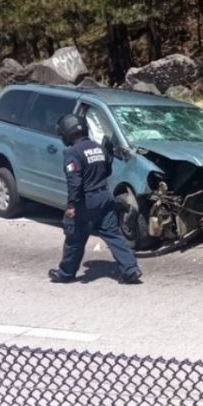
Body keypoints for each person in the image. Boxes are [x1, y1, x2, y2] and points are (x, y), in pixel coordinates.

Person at [49, 114, 142, 285]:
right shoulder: (98, 148)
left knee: (74, 238)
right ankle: (131, 270)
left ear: (67, 132)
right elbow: (107, 171)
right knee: (114, 234)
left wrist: (71, 206)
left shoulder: (73, 153)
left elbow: (75, 183)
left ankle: (66, 273)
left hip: (86, 200)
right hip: (104, 197)